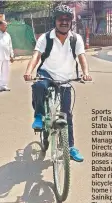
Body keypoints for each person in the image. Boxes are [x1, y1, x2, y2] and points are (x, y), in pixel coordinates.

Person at [24, 5, 92, 162]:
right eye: (61, 19)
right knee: (39, 86)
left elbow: (82, 57)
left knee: (67, 115)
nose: (64, 22)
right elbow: (36, 55)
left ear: (71, 22)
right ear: (55, 21)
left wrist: (85, 73)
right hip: (47, 73)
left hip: (66, 78)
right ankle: (40, 115)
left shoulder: (76, 39)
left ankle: (70, 147)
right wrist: (29, 71)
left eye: (67, 19)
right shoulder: (45, 38)